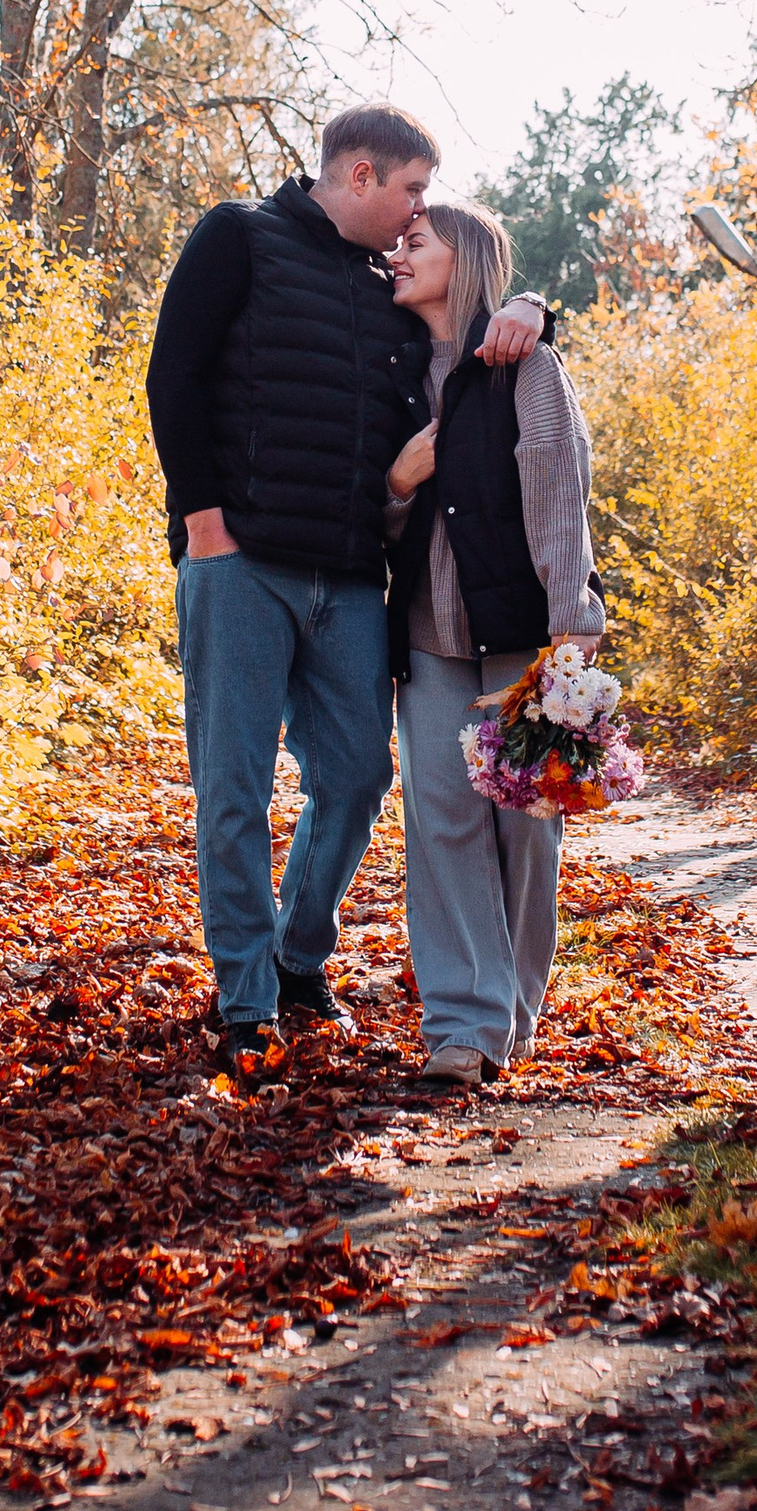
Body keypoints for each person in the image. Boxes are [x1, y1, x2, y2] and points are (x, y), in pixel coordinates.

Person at [145, 105, 548, 1081]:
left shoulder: (387, 283)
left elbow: (469, 323)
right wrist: (204, 524)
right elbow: (173, 374)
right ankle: (247, 1001)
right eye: (411, 190)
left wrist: (535, 306)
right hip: (241, 564)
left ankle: (297, 952)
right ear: (360, 174)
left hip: (354, 579)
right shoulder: (239, 234)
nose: (418, 211)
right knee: (235, 787)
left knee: (360, 777)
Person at [383, 195, 602, 1094]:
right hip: (428, 638)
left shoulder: (528, 367)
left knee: (525, 827)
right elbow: (369, 515)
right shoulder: (390, 369)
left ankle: (511, 1011)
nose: (398, 255)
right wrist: (399, 483)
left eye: (416, 241)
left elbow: (559, 496)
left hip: (524, 634)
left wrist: (573, 625)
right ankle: (462, 1026)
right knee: (443, 824)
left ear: (464, 259)